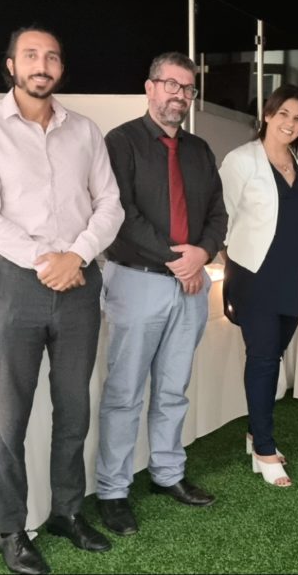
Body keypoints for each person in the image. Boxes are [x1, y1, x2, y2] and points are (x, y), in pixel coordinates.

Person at [0, 26, 125, 574]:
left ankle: (67, 512)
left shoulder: (85, 130)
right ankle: (10, 529)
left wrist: (76, 256)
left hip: (79, 284)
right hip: (20, 286)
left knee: (74, 409)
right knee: (11, 417)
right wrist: (45, 260)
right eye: (31, 55)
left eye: (51, 56)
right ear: (10, 65)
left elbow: (110, 204)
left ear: (60, 68)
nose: (42, 64)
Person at [95, 52, 227, 534]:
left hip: (191, 286)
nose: (179, 95)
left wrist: (203, 254)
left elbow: (218, 213)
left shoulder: (199, 150)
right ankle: (112, 490)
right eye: (170, 84)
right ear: (150, 87)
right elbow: (120, 214)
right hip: (138, 281)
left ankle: (167, 473)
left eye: (187, 88)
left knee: (173, 389)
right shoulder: (120, 142)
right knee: (125, 392)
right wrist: (180, 259)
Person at [218, 84, 298, 487]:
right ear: (267, 114)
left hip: (294, 275)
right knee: (262, 359)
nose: (290, 123)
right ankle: (264, 449)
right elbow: (220, 216)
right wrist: (232, 266)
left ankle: (253, 431)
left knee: (272, 357)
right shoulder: (241, 160)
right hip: (255, 276)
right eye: (284, 114)